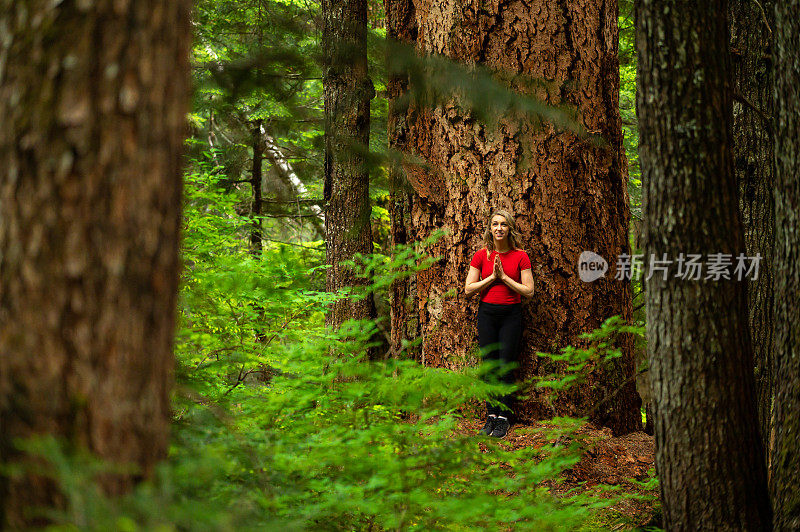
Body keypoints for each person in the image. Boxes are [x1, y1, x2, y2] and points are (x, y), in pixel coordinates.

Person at [464, 210, 534, 438]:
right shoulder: (480, 256)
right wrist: (492, 278)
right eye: (495, 224)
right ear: (490, 228)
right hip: (487, 315)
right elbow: (468, 289)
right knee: (490, 367)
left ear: (510, 229)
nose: (499, 228)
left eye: (503, 224)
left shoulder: (520, 256)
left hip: (510, 315)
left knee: (505, 366)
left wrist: (504, 277)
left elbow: (529, 291)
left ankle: (503, 418)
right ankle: (490, 416)